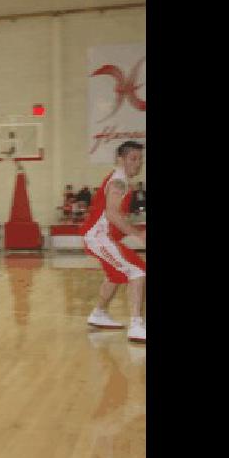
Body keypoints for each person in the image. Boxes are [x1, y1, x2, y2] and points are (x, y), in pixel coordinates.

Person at [81, 141, 147, 342]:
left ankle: (98, 313)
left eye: (140, 159)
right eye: (133, 159)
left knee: (116, 275)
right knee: (137, 270)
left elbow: (116, 215)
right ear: (120, 159)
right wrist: (138, 234)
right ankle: (136, 325)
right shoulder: (119, 182)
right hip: (98, 237)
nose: (138, 163)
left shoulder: (122, 180)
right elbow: (111, 214)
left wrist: (138, 225)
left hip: (101, 236)